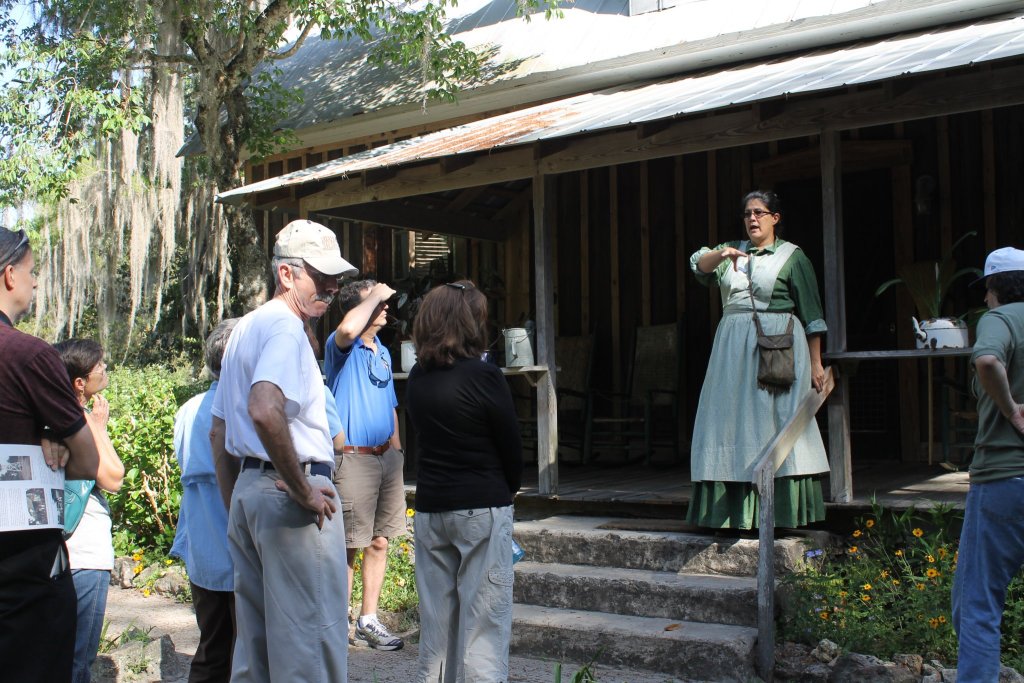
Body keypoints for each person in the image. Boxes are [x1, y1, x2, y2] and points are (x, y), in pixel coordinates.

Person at [210, 219, 356, 682]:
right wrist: (303, 489)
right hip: (290, 497)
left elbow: (218, 431)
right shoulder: (285, 329)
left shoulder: (243, 330)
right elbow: (263, 408)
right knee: (310, 654)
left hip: (253, 495)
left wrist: (238, 502)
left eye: (336, 277)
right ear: (287, 275)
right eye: (320, 275)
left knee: (257, 655)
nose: (331, 288)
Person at [687, 190, 829, 529]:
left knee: (773, 421)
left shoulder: (793, 257)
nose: (753, 219)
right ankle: (728, 513)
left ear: (775, 218)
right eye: (748, 213)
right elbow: (698, 265)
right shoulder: (731, 252)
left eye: (760, 213)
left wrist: (816, 362)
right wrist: (722, 253)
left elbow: (812, 315)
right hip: (732, 353)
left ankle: (780, 511)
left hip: (776, 349)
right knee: (729, 421)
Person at [406, 280, 522, 683]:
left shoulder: (418, 378)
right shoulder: (485, 376)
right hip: (480, 505)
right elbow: (511, 446)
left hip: (431, 508)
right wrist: (510, 488)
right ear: (469, 323)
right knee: (484, 629)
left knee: (437, 632)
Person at [0, 227, 101, 681]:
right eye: (32, 271)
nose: (36, 282)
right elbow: (87, 461)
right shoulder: (27, 355)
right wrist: (50, 436)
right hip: (22, 575)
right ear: (8, 276)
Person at [952, 246, 1024, 682]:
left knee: (978, 605)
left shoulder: (997, 320)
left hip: (1004, 476)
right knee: (971, 601)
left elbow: (986, 359)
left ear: (993, 288)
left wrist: (1013, 410)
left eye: (986, 290)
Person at [323, 279, 405, 652]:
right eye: (377, 301)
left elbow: (390, 404)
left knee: (380, 540)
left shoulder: (383, 351)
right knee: (348, 545)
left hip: (385, 457)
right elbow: (346, 328)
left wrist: (397, 450)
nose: (386, 306)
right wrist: (374, 294)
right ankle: (336, 622)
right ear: (359, 307)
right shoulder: (341, 346)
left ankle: (368, 620)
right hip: (353, 457)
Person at [170, 319, 239, 683]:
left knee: (213, 646)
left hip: (203, 542)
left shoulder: (188, 408)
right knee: (244, 649)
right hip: (231, 537)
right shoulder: (240, 411)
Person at [55, 339, 125, 683]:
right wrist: (97, 427)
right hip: (85, 551)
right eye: (100, 366)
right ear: (79, 383)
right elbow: (113, 476)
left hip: (63, 549)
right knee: (78, 659)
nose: (105, 369)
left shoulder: (53, 418)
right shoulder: (77, 420)